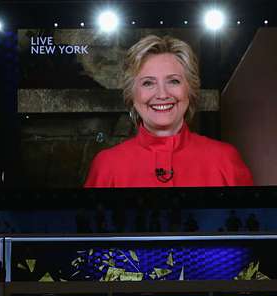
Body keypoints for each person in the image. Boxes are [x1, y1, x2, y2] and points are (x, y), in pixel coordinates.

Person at [84, 35, 254, 188]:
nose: (162, 94)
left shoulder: (225, 159)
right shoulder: (107, 165)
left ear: (190, 89)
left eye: (173, 81)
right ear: (132, 94)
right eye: (148, 83)